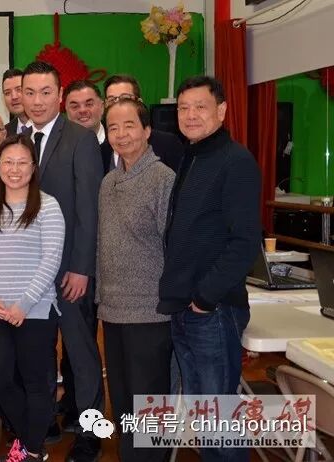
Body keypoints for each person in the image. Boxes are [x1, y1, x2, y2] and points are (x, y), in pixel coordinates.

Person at [160, 76, 261, 462]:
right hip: (186, 307)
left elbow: (245, 241)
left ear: (221, 111)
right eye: (183, 108)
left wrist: (205, 298)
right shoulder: (193, 156)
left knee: (218, 421)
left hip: (213, 310)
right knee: (205, 418)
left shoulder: (236, 161)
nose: (190, 115)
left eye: (199, 107)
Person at [21, 61, 104, 462]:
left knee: (81, 353)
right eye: (29, 92)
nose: (37, 101)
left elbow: (89, 208)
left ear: (59, 96)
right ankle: (44, 421)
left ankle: (90, 432)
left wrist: (81, 267)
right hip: (28, 273)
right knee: (39, 353)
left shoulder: (80, 139)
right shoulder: (17, 140)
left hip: (70, 271)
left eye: (45, 92)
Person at [0, 135, 65, 462]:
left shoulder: (48, 206)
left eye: (22, 162)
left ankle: (31, 451)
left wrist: (23, 304)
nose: (14, 169)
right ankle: (31, 443)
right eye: (8, 162)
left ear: (33, 167)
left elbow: (51, 259)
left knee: (36, 384)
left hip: (35, 311)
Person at [97, 97, 175, 462]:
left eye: (129, 125)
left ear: (147, 130)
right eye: (113, 127)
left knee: (149, 404)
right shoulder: (109, 181)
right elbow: (103, 244)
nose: (121, 134)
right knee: (124, 400)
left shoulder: (162, 179)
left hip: (150, 312)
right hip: (112, 310)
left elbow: (173, 246)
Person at [103, 74, 184, 173]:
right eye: (112, 100)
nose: (118, 105)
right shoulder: (102, 151)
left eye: (125, 99)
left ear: (140, 102)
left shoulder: (168, 144)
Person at [2, 68, 29, 135]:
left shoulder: (47, 125)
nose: (14, 97)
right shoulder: (4, 134)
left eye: (19, 90)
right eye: (7, 93)